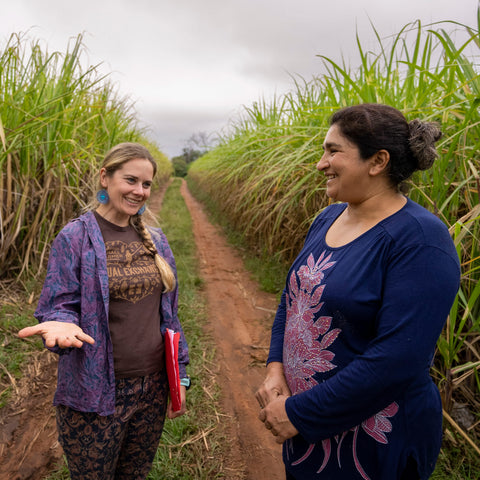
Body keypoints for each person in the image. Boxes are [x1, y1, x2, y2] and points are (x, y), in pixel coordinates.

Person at [255, 104, 460, 480]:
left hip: (374, 443)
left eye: (333, 151)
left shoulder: (420, 239)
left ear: (378, 161)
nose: (321, 163)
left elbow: (399, 358)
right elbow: (293, 299)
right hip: (310, 431)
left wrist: (300, 413)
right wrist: (275, 369)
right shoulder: (327, 218)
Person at [18, 142, 190, 479]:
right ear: (105, 178)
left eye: (146, 184)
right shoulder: (75, 237)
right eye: (130, 180)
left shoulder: (155, 240)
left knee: (135, 474)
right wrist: (61, 324)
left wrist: (179, 373)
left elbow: (170, 316)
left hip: (152, 389)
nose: (139, 191)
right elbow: (59, 302)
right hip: (95, 393)